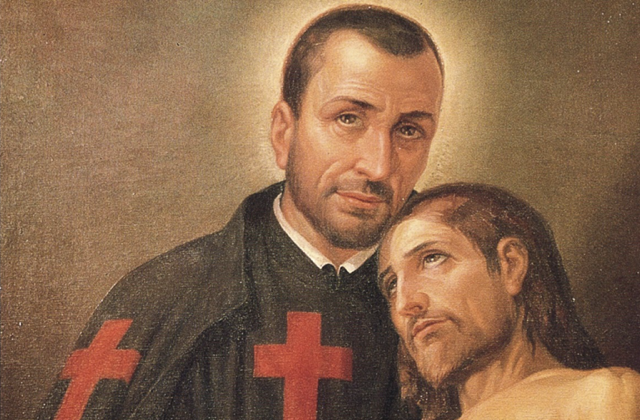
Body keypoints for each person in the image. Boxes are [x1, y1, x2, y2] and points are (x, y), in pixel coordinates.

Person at [38, 5, 444, 420]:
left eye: (408, 130)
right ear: (284, 132)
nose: (378, 166)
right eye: (348, 118)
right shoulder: (159, 298)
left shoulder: (455, 311)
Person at [378, 183, 640, 420]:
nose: (405, 304)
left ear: (511, 265)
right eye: (392, 285)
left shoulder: (598, 396)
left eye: (432, 258)